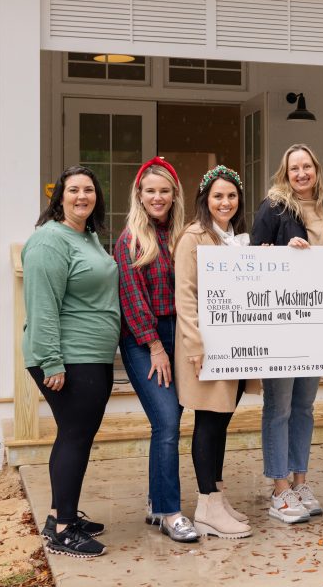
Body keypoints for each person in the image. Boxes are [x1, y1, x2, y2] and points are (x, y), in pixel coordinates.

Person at [23, 165, 119, 558]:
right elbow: (42, 304)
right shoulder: (49, 240)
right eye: (74, 190)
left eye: (89, 190)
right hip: (69, 357)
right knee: (75, 437)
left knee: (75, 435)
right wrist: (52, 362)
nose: (82, 196)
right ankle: (63, 531)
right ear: (59, 197)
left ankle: (58, 514)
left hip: (91, 355)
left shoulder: (88, 237)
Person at [251, 143, 323, 523]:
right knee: (279, 406)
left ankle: (301, 481)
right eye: (294, 169)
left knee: (305, 406)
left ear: (317, 169)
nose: (301, 174)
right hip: (281, 324)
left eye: (307, 167)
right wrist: (284, 251)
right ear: (284, 174)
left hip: (318, 324)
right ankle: (279, 488)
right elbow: (254, 257)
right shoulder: (273, 207)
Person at [114, 157, 198, 543]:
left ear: (174, 194)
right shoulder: (130, 239)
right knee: (166, 422)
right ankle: (170, 512)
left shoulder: (182, 236)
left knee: (167, 423)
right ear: (139, 194)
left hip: (177, 334)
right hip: (143, 338)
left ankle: (155, 501)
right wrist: (155, 347)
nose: (157, 197)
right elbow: (130, 298)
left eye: (164, 190)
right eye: (150, 190)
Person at [174, 165, 261, 539]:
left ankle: (217, 495)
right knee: (209, 423)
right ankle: (206, 504)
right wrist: (194, 345)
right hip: (206, 350)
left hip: (235, 348)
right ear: (205, 200)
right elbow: (186, 296)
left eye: (231, 196)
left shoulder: (236, 239)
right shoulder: (193, 238)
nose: (225, 202)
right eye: (217, 196)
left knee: (222, 421)